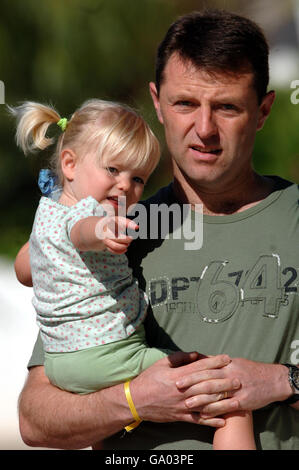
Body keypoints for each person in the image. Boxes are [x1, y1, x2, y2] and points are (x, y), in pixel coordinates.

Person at [17, 9, 298, 451]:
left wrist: (284, 380)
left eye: (226, 107)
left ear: (262, 111)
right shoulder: (113, 234)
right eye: (185, 103)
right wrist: (135, 400)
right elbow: (36, 419)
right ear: (158, 103)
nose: (204, 130)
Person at [12, 98, 256, 449]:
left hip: (61, 363)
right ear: (70, 163)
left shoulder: (45, 215)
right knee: (226, 390)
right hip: (109, 355)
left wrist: (48, 255)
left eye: (137, 178)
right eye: (113, 170)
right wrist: (104, 230)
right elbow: (83, 229)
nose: (126, 186)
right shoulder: (85, 216)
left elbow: (24, 270)